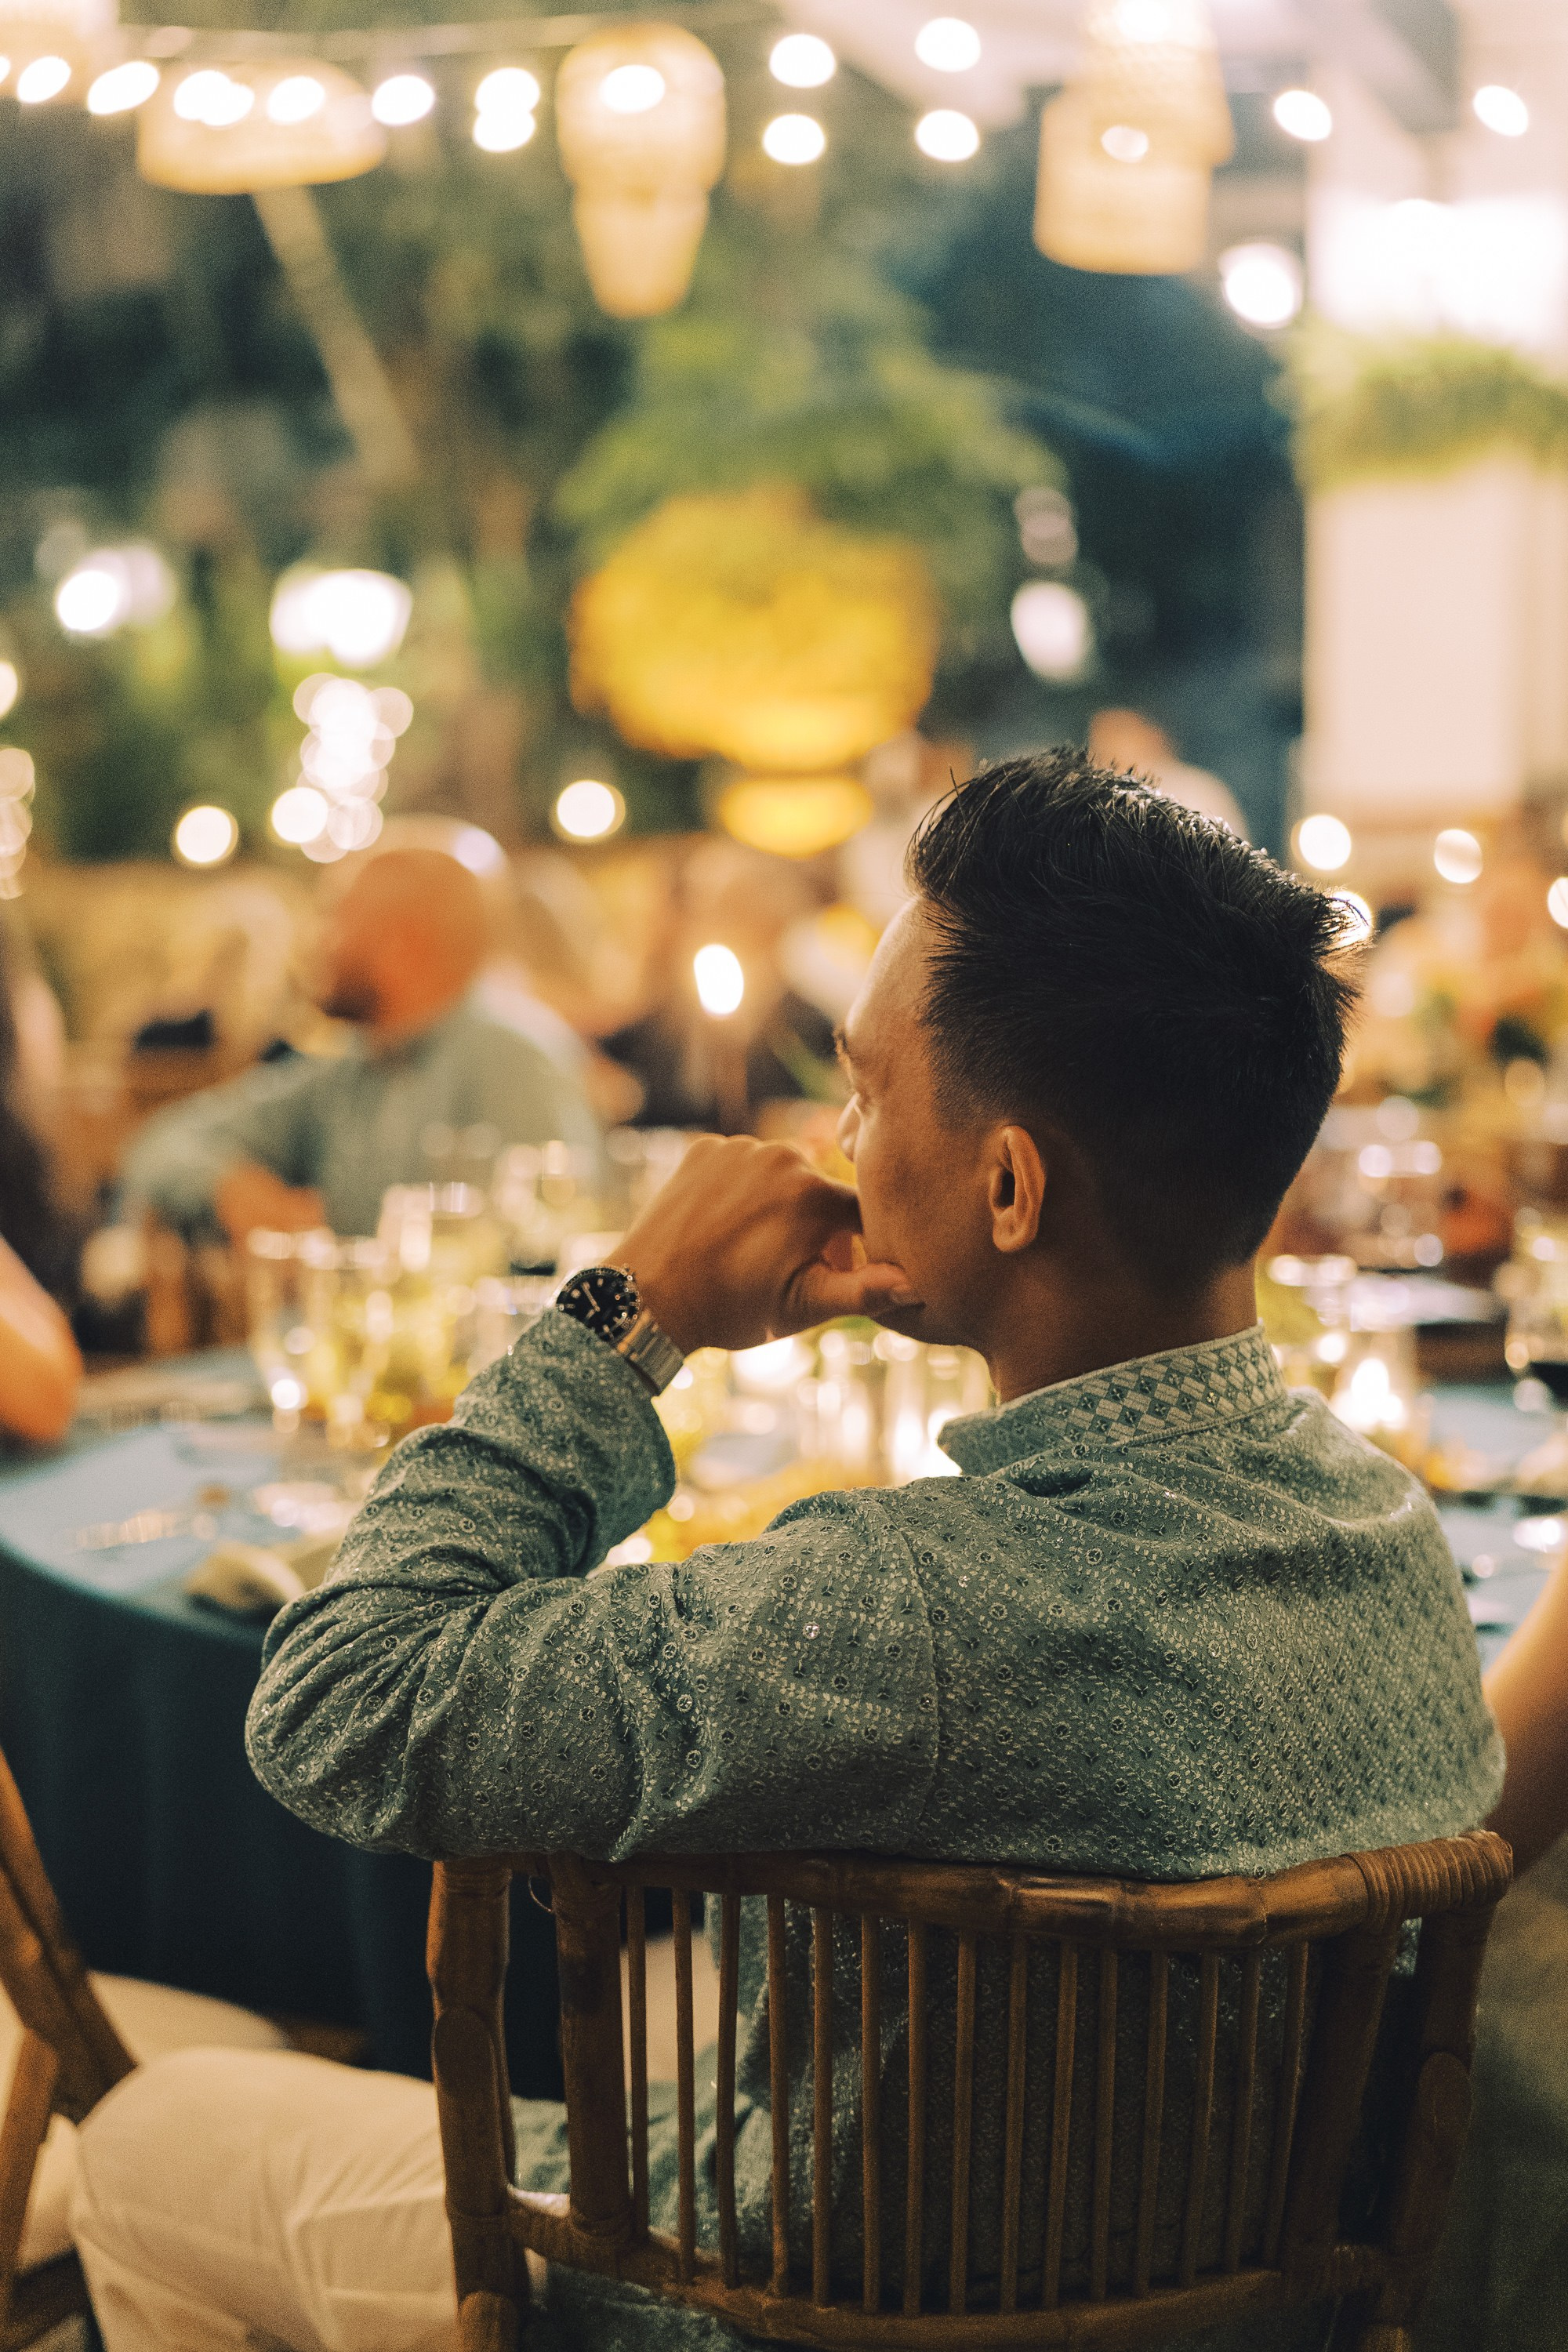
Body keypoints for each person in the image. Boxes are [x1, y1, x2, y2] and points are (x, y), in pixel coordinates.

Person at [71, 757, 1500, 2351]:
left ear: (1007, 1185)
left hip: (769, 2314)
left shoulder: (901, 1610)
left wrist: (625, 1316)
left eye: (869, 1091)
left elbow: (335, 1701)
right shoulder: (1395, 1536)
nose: (837, 1137)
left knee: (145, 2144)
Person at [122, 847, 603, 1244]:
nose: (315, 942)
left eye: (334, 918)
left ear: (402, 943)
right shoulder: (351, 1065)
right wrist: (229, 1190)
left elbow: (550, 1246)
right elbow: (163, 1143)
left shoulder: (515, 1058)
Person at [1087, 707, 1247, 837]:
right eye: (1097, 734)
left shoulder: (1197, 790)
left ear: (1155, 735)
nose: (1102, 743)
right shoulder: (1096, 792)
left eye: (1119, 731)